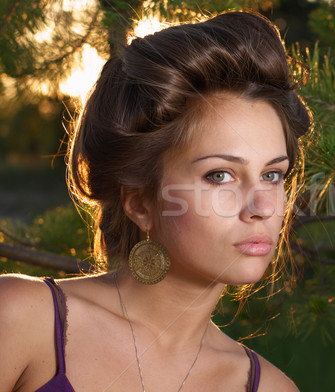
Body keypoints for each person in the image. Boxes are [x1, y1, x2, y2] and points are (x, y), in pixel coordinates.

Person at [0, 10, 310, 391]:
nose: (263, 207)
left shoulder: (270, 388)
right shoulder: (21, 320)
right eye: (220, 176)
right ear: (140, 204)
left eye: (272, 175)